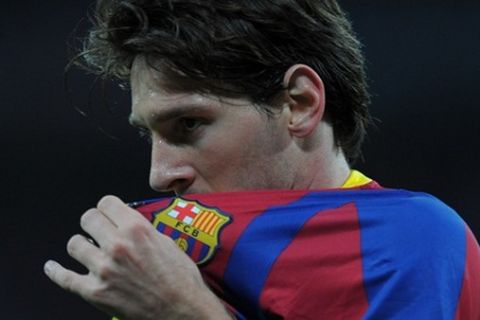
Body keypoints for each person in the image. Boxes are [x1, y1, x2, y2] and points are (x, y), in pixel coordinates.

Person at [44, 0, 480, 319]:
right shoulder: (168, 270)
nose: (160, 175)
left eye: (190, 123)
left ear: (300, 104)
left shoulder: (413, 246)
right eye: (150, 134)